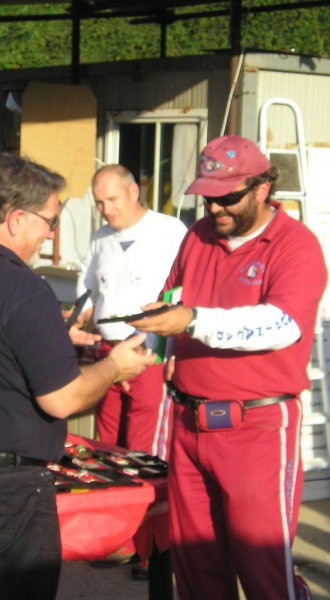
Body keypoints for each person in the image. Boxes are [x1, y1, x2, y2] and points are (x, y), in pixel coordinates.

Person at [0, 152, 155, 600]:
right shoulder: (22, 288)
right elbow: (61, 399)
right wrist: (115, 365)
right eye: (49, 222)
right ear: (17, 219)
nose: (49, 235)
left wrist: (43, 334)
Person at [131, 135, 328, 600]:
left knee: (262, 569)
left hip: (257, 427)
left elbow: (282, 324)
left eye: (228, 197)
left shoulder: (295, 245)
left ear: (262, 189)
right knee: (195, 566)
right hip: (187, 421)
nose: (216, 208)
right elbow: (169, 305)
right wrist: (137, 343)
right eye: (208, 196)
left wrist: (193, 321)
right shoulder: (198, 236)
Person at [76, 164, 187, 460]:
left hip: (148, 353)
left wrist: (176, 353)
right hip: (108, 353)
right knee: (106, 443)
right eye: (99, 202)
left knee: (142, 449)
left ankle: (146, 505)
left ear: (133, 191)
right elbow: (86, 283)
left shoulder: (170, 230)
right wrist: (81, 315)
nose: (106, 209)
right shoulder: (100, 238)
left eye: (113, 200)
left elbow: (187, 289)